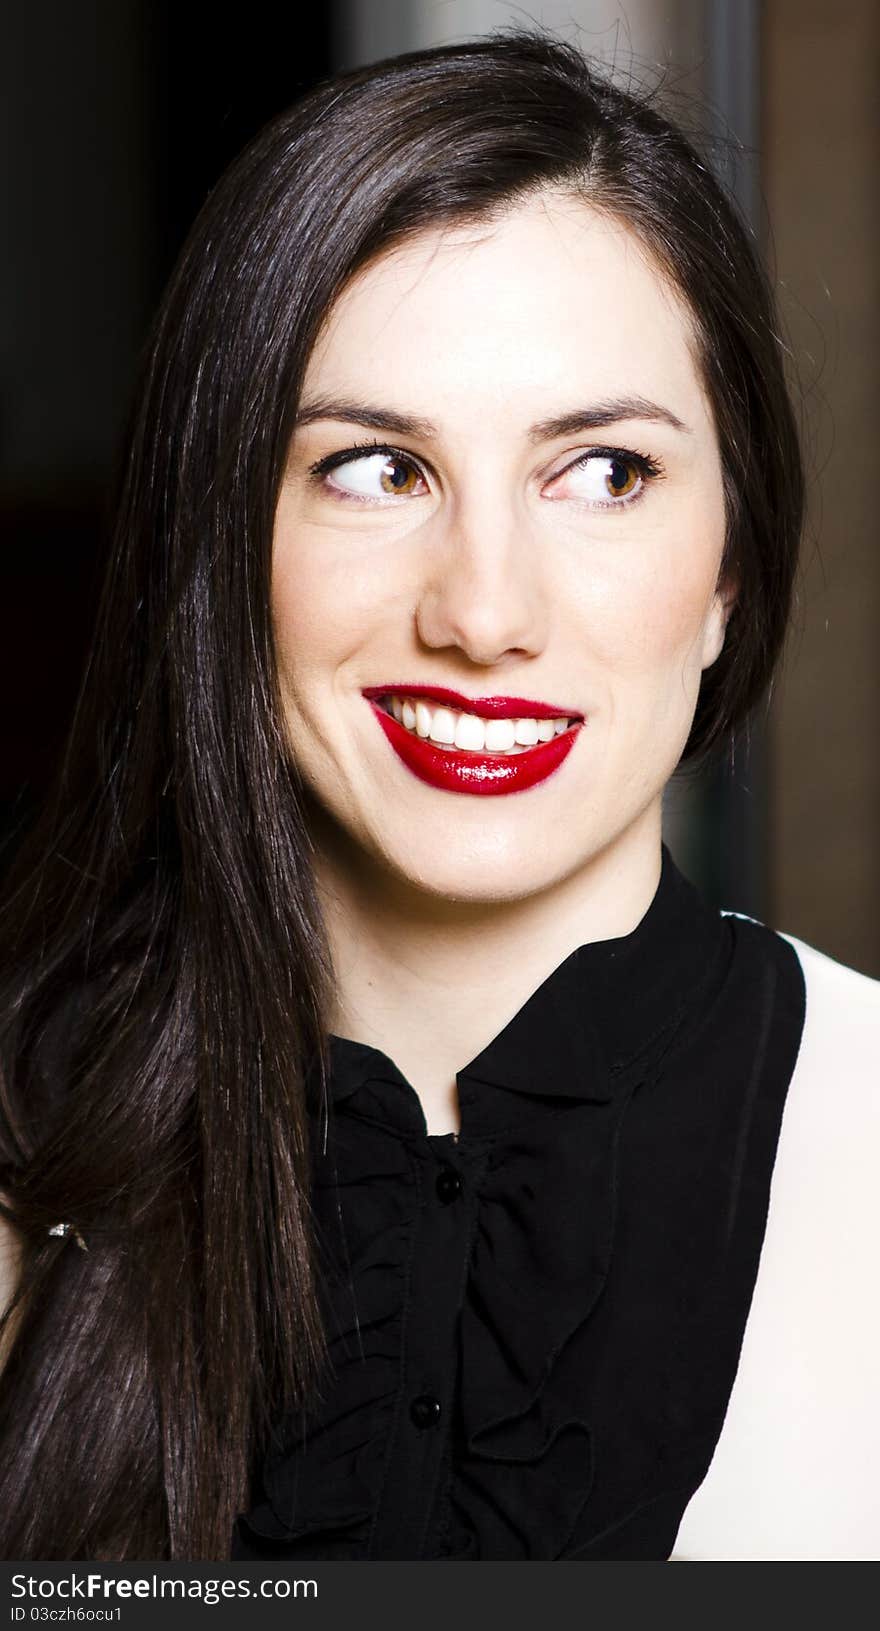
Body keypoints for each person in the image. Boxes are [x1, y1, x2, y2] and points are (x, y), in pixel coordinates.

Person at [0, 29, 877, 1564]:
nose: (483, 614)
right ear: (223, 539)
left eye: (602, 472)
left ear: (729, 568)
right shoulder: (28, 1155)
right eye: (375, 470)